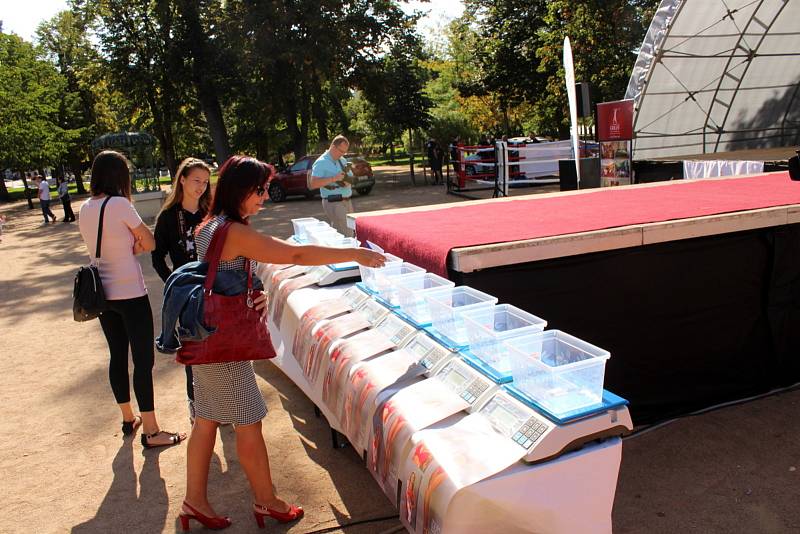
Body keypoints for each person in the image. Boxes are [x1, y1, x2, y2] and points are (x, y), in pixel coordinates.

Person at [179, 155, 385, 531]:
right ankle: (266, 500)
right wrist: (355, 253)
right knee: (249, 420)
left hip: (207, 337)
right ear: (239, 189)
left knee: (206, 419)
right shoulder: (233, 230)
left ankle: (195, 501)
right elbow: (295, 254)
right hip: (225, 345)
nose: (263, 198)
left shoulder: (212, 223)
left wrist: (251, 291)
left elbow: (221, 274)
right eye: (258, 191)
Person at [78, 150, 186, 449]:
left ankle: (128, 418)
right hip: (130, 291)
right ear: (120, 176)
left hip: (103, 294)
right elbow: (149, 242)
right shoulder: (121, 205)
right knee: (143, 361)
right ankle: (152, 431)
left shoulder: (86, 207)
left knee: (117, 355)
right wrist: (136, 241)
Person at [151, 157, 212, 423]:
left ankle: (219, 403)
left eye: (205, 181)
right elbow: (157, 257)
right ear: (182, 180)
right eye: (196, 180)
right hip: (186, 295)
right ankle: (195, 403)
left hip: (214, 289)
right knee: (192, 349)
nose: (200, 186)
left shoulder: (211, 211)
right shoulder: (168, 216)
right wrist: (174, 283)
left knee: (217, 346)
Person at [308, 135, 355, 236]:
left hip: (347, 200)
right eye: (341, 151)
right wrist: (334, 178)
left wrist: (348, 181)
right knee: (346, 234)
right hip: (334, 202)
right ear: (333, 147)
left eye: (345, 152)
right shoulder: (321, 162)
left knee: (348, 231)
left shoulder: (342, 160)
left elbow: (351, 177)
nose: (343, 154)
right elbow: (313, 183)